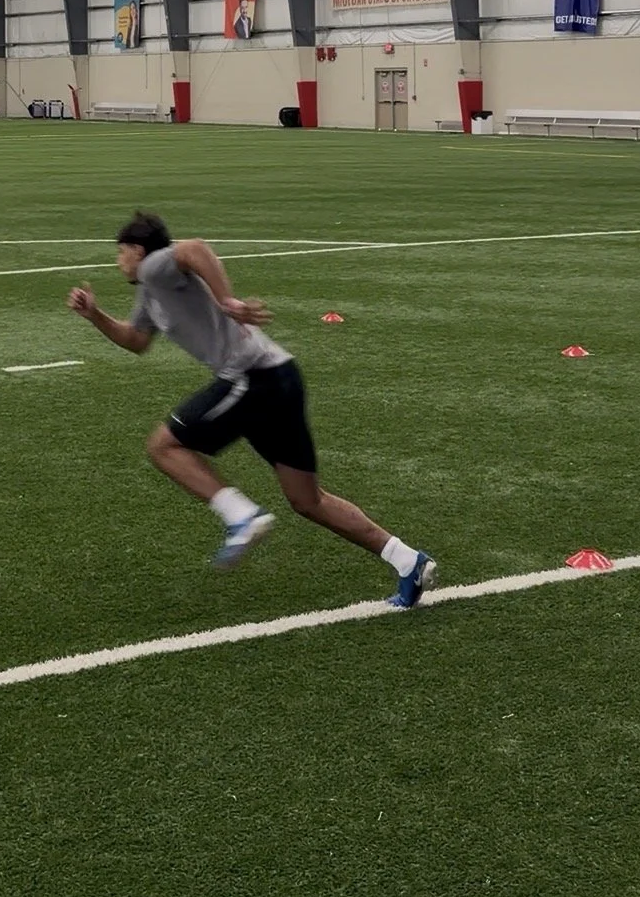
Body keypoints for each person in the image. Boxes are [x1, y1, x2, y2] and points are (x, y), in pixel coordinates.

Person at [68, 211, 435, 606]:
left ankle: (241, 515)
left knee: (163, 446)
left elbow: (193, 249)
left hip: (253, 378)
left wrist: (227, 300)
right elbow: (137, 340)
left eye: (121, 252)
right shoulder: (149, 292)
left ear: (138, 251)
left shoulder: (156, 267)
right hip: (279, 378)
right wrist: (95, 316)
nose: (118, 260)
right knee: (307, 500)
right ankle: (408, 560)